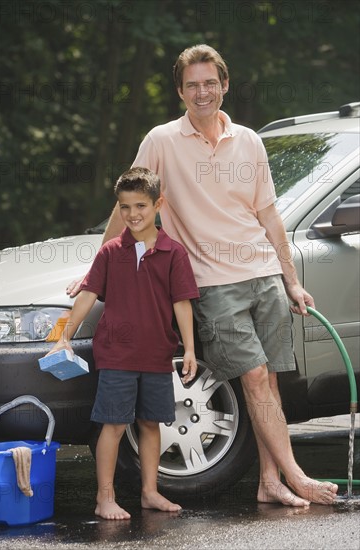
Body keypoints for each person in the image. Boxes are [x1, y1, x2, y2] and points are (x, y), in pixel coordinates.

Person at [68, 45, 338, 506]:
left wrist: (290, 278)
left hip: (264, 273)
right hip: (213, 282)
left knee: (269, 380)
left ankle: (269, 482)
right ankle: (297, 475)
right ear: (180, 91)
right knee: (252, 377)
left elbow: (269, 216)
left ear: (224, 85)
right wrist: (101, 263)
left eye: (209, 82)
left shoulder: (249, 140)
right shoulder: (161, 141)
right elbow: (126, 204)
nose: (202, 92)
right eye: (192, 85)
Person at [51, 167, 199, 520]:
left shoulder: (173, 253)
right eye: (125, 207)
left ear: (158, 204)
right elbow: (87, 296)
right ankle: (105, 498)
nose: (133, 215)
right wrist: (63, 337)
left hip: (158, 355)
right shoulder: (109, 253)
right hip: (116, 354)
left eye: (141, 206)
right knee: (113, 425)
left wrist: (190, 349)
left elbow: (182, 302)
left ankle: (149, 492)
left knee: (150, 424)